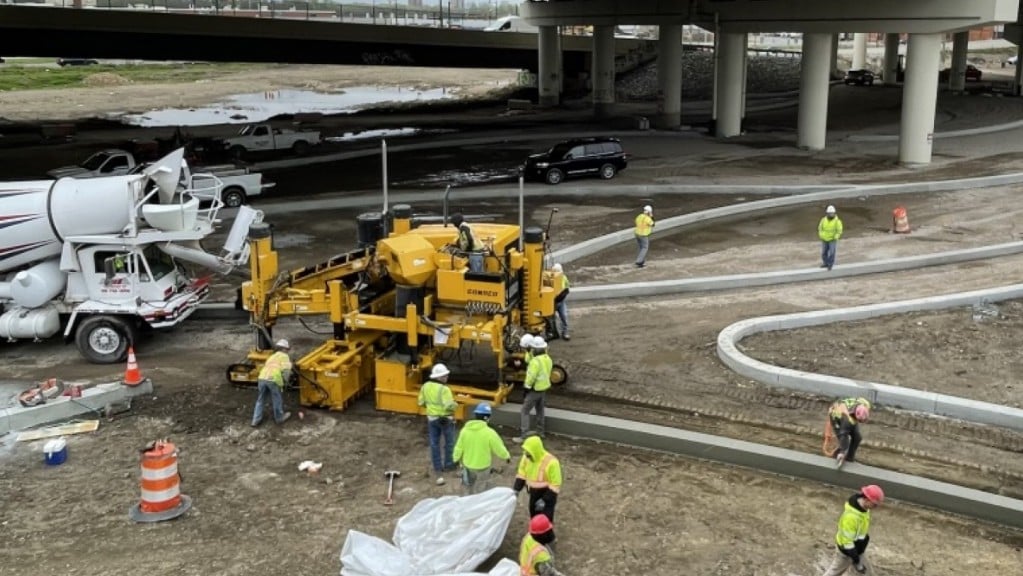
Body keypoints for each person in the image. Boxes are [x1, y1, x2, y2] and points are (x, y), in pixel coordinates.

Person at [822, 485, 884, 576]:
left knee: (868, 573)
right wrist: (856, 560)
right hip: (847, 553)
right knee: (834, 572)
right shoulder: (851, 518)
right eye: (874, 504)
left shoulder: (864, 509)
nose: (875, 507)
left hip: (857, 549)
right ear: (866, 499)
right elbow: (847, 543)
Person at [452, 402, 511, 494]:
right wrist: (506, 456)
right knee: (481, 486)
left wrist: (455, 458)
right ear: (487, 417)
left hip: (468, 465)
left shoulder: (465, 430)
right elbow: (499, 448)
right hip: (483, 466)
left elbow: (458, 447)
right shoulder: (490, 433)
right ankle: (479, 501)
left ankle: (468, 500)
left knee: (468, 485)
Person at [418, 363, 458, 485]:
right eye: (445, 376)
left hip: (432, 419)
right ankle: (449, 464)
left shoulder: (425, 387)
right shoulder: (444, 389)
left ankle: (437, 467)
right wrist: (455, 405)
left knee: (434, 444)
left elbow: (421, 402)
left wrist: (432, 409)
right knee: (449, 442)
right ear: (439, 377)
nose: (447, 378)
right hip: (445, 419)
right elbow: (449, 406)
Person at [513, 435, 562, 522]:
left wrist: (545, 500)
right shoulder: (526, 457)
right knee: (534, 514)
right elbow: (522, 473)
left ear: (535, 452)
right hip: (533, 493)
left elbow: (555, 484)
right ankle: (534, 532)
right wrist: (516, 489)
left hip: (546, 493)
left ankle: (546, 535)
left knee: (545, 519)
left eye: (529, 454)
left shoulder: (552, 462)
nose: (526, 456)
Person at [514, 336, 553, 443]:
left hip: (534, 390)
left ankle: (524, 435)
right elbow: (529, 359)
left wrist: (526, 387)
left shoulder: (535, 362)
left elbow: (531, 376)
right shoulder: (547, 359)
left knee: (524, 411)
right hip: (543, 388)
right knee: (540, 410)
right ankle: (540, 432)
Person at [251, 339, 293, 427]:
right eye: (287, 349)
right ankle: (279, 418)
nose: (287, 351)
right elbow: (286, 372)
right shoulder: (284, 356)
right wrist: (286, 382)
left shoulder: (272, 356)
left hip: (262, 378)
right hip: (273, 379)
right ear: (284, 349)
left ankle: (255, 420)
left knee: (260, 399)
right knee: (276, 399)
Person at [830, 397, 871, 467]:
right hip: (836, 418)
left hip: (844, 408)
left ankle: (850, 457)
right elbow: (843, 434)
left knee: (857, 438)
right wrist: (843, 452)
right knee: (844, 440)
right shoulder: (847, 420)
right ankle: (838, 454)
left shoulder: (865, 404)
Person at [818, 205, 844, 271]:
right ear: (827, 213)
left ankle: (830, 264)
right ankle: (825, 263)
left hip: (832, 239)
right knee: (824, 252)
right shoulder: (823, 220)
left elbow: (839, 230)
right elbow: (820, 228)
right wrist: (821, 235)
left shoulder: (837, 221)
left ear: (834, 213)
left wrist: (836, 236)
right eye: (830, 213)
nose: (831, 214)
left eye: (832, 213)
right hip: (824, 239)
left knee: (832, 253)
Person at [551, 263, 570, 341]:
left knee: (564, 316)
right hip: (552, 303)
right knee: (551, 319)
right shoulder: (550, 278)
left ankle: (564, 332)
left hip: (561, 302)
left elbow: (567, 288)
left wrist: (562, 296)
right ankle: (552, 332)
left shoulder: (564, 277)